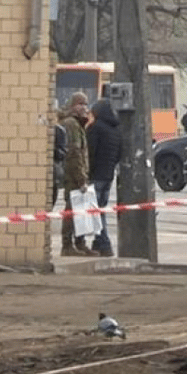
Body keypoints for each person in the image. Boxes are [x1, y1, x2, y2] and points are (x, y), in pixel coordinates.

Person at [86, 97, 123, 257]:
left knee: (96, 212)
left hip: (95, 175)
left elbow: (90, 152)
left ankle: (104, 243)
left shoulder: (96, 128)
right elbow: (119, 154)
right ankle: (98, 243)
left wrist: (88, 173)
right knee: (100, 209)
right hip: (108, 176)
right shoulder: (116, 130)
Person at [60, 92, 93, 256]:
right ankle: (67, 245)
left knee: (80, 210)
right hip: (72, 176)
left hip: (78, 174)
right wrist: (81, 178)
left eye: (86, 104)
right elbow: (74, 154)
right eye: (80, 104)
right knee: (71, 210)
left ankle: (80, 243)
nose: (84, 108)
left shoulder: (78, 124)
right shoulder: (71, 124)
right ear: (73, 106)